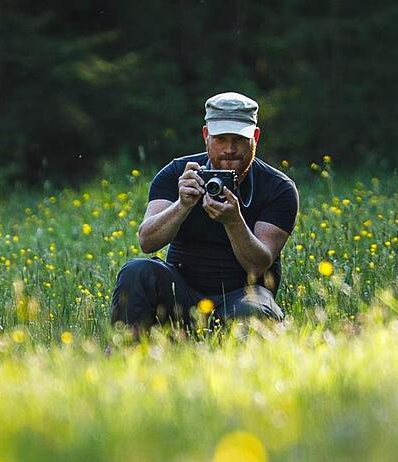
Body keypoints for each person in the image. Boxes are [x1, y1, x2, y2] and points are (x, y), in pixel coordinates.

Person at [110, 92, 299, 335]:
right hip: (181, 294)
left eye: (239, 139)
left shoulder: (278, 187)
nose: (229, 149)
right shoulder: (177, 173)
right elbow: (147, 241)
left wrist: (233, 221)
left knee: (255, 310)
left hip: (241, 297)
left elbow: (258, 265)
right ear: (206, 136)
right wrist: (182, 205)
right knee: (136, 271)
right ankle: (126, 352)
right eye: (221, 139)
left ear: (255, 137)